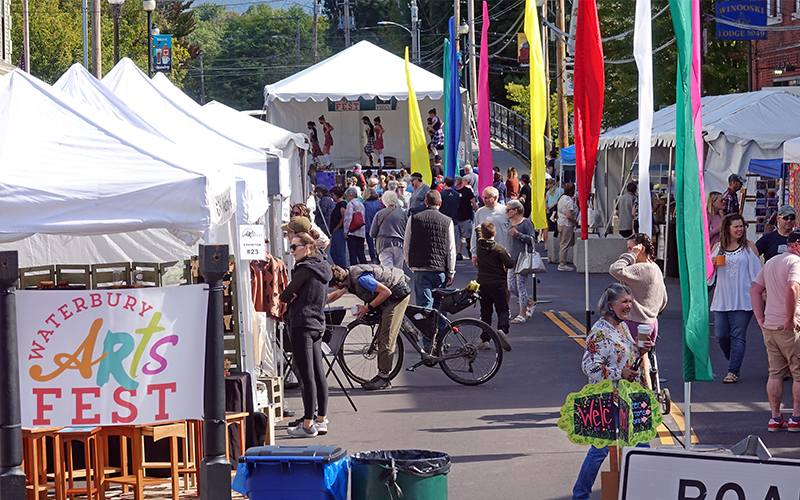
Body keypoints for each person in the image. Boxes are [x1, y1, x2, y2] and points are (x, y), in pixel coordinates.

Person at [572, 283, 651, 500]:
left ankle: (643, 492)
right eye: (624, 302)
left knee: (642, 445)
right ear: (610, 305)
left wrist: (641, 350)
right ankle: (580, 496)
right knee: (599, 451)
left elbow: (627, 357)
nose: (628, 305)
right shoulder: (599, 332)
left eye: (629, 301)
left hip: (628, 396)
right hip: (604, 398)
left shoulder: (623, 327)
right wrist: (620, 372)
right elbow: (589, 367)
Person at [279, 232, 333, 437]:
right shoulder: (323, 266)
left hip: (302, 323)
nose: (291, 251)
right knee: (318, 374)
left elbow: (285, 294)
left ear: (307, 247)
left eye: (294, 247)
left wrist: (291, 295)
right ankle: (321, 419)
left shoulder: (304, 269)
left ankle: (308, 424)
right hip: (317, 323)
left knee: (306, 374)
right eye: (290, 247)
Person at [328, 263, 411, 390]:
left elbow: (386, 292)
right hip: (390, 291)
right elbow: (337, 294)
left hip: (396, 292)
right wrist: (317, 301)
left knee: (386, 337)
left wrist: (368, 307)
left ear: (338, 284)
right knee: (384, 326)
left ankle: (384, 378)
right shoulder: (348, 277)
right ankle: (409, 328)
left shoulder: (360, 279)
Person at [750, 229, 800, 432]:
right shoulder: (796, 263)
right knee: (798, 375)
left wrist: (760, 318)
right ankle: (796, 417)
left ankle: (775, 417)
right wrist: (790, 319)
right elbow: (792, 289)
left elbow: (755, 289)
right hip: (789, 327)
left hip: (770, 326)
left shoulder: (771, 262)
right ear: (796, 245)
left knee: (776, 374)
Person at [609, 233, 668, 389]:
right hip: (652, 322)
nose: (628, 253)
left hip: (636, 323)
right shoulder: (655, 268)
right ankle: (648, 396)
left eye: (631, 248)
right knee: (644, 360)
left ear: (640, 249)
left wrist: (631, 255)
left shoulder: (640, 269)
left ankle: (646, 399)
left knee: (640, 366)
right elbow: (664, 298)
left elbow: (615, 269)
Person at [708, 214, 761, 383]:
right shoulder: (718, 247)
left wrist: (761, 296)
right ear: (727, 228)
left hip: (743, 299)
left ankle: (732, 370)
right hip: (722, 298)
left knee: (738, 335)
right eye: (736, 226)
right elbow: (709, 276)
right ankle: (734, 361)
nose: (740, 229)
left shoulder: (749, 247)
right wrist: (712, 263)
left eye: (741, 226)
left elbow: (757, 275)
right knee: (721, 335)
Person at [404, 190, 456, 311]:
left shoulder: (413, 219)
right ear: (440, 203)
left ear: (426, 202)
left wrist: (411, 265)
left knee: (424, 306)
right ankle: (441, 329)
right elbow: (450, 249)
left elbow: (406, 245)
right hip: (440, 269)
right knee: (440, 306)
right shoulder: (447, 221)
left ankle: (425, 329)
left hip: (420, 268)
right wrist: (451, 271)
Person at [476, 221, 516, 343]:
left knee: (485, 312)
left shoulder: (479, 244)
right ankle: (502, 331)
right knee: (502, 309)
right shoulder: (499, 249)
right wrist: (506, 258)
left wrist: (478, 228)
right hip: (498, 283)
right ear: (495, 233)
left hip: (483, 283)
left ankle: (485, 339)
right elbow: (510, 263)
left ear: (483, 234)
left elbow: (478, 233)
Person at [506, 199, 537, 322]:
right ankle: (529, 303)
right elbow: (509, 242)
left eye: (508, 210)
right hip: (511, 259)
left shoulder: (526, 223)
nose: (506, 212)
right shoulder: (510, 223)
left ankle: (521, 314)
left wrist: (518, 234)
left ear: (516, 210)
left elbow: (532, 239)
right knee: (511, 286)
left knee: (520, 286)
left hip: (523, 259)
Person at [472, 186, 509, 268]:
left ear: (495, 197)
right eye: (483, 197)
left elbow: (511, 233)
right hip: (485, 254)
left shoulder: (505, 211)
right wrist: (474, 253)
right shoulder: (479, 212)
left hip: (503, 253)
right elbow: (474, 234)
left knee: (504, 279)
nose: (484, 200)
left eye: (486, 198)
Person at [370, 191, 408, 268]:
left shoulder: (379, 214)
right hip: (399, 244)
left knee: (387, 272)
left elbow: (372, 233)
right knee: (398, 271)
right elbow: (407, 230)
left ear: (384, 201)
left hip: (384, 244)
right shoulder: (402, 214)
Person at [343, 187, 367, 266]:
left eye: (346, 196)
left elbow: (348, 219)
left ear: (350, 195)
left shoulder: (350, 204)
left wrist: (346, 231)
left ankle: (354, 271)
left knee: (352, 253)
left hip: (352, 232)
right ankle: (366, 269)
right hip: (361, 232)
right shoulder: (361, 204)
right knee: (361, 252)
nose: (346, 198)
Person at [455, 176, 478, 260]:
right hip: (456, 217)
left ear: (459, 181)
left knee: (468, 236)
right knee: (458, 236)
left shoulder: (467, 191)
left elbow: (473, 202)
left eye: (455, 181)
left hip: (466, 217)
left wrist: (476, 213)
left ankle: (469, 248)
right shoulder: (453, 191)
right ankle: (459, 253)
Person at [557, 183, 578, 271]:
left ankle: (562, 261)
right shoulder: (569, 201)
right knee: (565, 244)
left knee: (562, 243)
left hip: (560, 223)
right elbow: (568, 215)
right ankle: (562, 263)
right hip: (567, 224)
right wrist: (575, 221)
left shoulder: (562, 197)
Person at [329, 186, 348, 268]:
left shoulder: (342, 205)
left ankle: (343, 268)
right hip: (336, 230)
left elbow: (344, 216)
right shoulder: (338, 205)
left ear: (337, 195)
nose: (332, 197)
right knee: (333, 251)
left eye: (333, 195)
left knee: (340, 252)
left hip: (339, 230)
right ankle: (339, 267)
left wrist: (337, 227)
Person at [362, 187, 383, 263]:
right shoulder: (379, 202)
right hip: (378, 226)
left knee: (370, 244)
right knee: (378, 243)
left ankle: (373, 259)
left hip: (368, 226)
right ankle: (379, 257)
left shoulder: (365, 204)